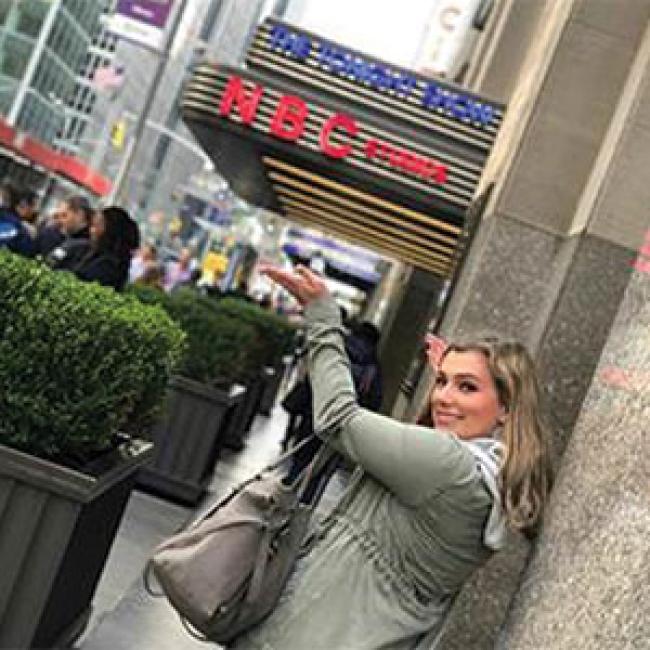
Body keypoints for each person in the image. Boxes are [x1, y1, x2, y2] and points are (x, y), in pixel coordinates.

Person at [231, 264, 554, 650]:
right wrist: (457, 388)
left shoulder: (450, 467)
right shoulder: (484, 478)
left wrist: (323, 317)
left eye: (467, 387)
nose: (444, 397)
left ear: (507, 408)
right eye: (441, 381)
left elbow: (338, 419)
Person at [50, 206, 139, 291]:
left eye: (96, 226)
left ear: (110, 231)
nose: (91, 231)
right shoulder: (85, 249)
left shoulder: (109, 265)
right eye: (92, 226)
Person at [0, 181, 35, 257]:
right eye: (33, 206)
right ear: (24, 205)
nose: (33, 210)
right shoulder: (19, 229)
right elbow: (27, 254)